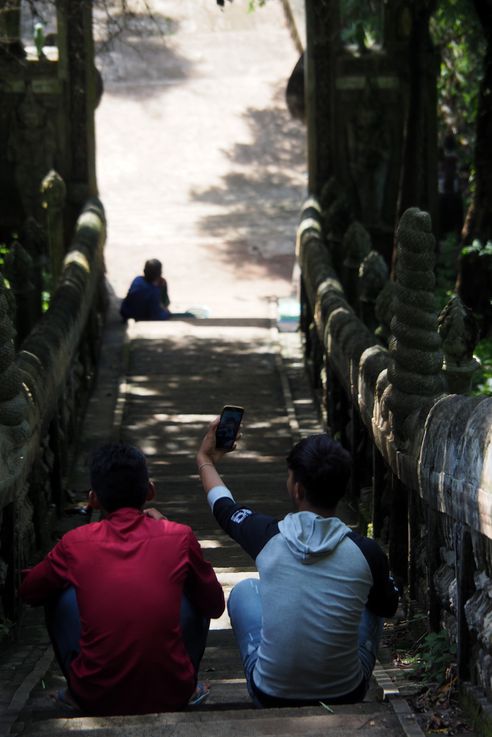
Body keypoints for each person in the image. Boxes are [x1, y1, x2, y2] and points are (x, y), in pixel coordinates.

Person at [196, 423, 399, 707]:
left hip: (269, 694)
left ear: (297, 489)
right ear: (341, 489)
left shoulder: (266, 536)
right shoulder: (366, 551)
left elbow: (224, 507)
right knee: (375, 597)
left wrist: (205, 459)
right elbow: (388, 607)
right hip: (347, 693)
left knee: (245, 591)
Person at [20, 443, 224, 716]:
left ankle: (74, 690)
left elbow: (30, 591)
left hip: (94, 696)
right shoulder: (180, 536)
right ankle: (189, 684)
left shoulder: (74, 543)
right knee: (193, 584)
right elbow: (214, 605)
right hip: (172, 693)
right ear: (150, 491)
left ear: (93, 499)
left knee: (59, 593)